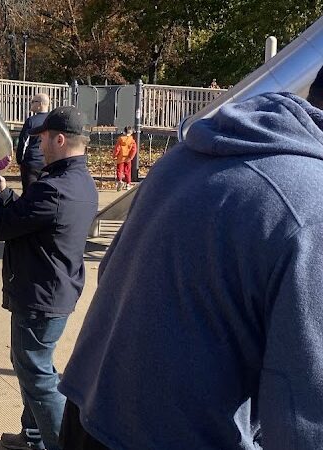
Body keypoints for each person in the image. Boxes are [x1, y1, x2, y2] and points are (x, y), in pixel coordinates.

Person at [57, 69, 323, 450]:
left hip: (89, 411)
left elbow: (112, 271)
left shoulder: (183, 157)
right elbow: (305, 418)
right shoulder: (313, 209)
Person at [0, 106, 98, 450]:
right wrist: (4, 192)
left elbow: (1, 226)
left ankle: (60, 443)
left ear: (60, 139)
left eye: (42, 138)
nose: (37, 145)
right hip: (52, 289)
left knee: (36, 373)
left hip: (41, 294)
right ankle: (33, 436)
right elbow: (31, 216)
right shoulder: (75, 181)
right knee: (31, 365)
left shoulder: (55, 187)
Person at [16, 93, 51, 193]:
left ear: (40, 104)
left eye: (33, 101)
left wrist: (19, 160)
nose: (31, 103)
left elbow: (23, 142)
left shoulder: (31, 121)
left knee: (29, 193)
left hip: (31, 162)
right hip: (48, 162)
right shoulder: (53, 119)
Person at [112, 126, 137, 191]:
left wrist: (114, 155)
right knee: (128, 171)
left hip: (120, 157)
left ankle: (120, 181)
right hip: (128, 158)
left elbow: (117, 148)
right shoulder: (132, 140)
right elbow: (134, 150)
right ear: (131, 132)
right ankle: (128, 184)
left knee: (119, 170)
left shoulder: (120, 139)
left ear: (124, 131)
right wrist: (130, 157)